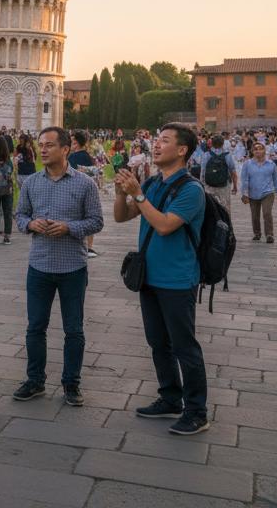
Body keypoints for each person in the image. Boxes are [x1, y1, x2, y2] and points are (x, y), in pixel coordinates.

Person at [113, 123, 210, 436]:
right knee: (158, 342)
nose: (156, 145)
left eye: (164, 141)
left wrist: (138, 194)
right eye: (156, 140)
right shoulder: (154, 182)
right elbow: (122, 216)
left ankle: (196, 411)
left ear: (182, 150)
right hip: (150, 277)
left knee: (185, 347)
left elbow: (166, 225)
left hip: (178, 279)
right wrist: (121, 193)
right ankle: (170, 397)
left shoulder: (192, 189)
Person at [12, 126, 103, 407]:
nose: (43, 149)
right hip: (39, 266)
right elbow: (19, 215)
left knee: (73, 329)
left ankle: (71, 383)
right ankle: (35, 380)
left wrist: (68, 228)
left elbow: (97, 221)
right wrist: (30, 224)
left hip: (72, 267)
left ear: (65, 149)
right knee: (35, 327)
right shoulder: (31, 183)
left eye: (49, 145)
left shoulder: (84, 184)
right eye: (41, 145)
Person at [241, 141, 277, 243]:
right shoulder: (247, 164)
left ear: (265, 150)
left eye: (260, 148)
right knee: (255, 215)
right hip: (253, 193)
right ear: (252, 151)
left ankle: (269, 234)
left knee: (267, 213)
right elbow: (244, 180)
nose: (258, 151)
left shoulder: (271, 164)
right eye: (255, 149)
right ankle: (257, 233)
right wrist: (244, 194)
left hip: (267, 193)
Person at [68, 130, 100, 258]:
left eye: (73, 142)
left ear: (76, 143)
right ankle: (89, 247)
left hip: (74, 191)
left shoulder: (72, 157)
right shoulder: (88, 156)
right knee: (89, 218)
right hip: (89, 190)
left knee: (75, 218)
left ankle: (76, 246)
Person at [198, 134, 238, 213]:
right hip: (224, 185)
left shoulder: (206, 155)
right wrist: (235, 186)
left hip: (209, 185)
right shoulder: (227, 155)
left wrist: (202, 185)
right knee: (225, 207)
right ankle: (226, 223)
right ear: (223, 143)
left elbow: (202, 172)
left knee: (209, 208)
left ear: (212, 143)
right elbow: (233, 172)